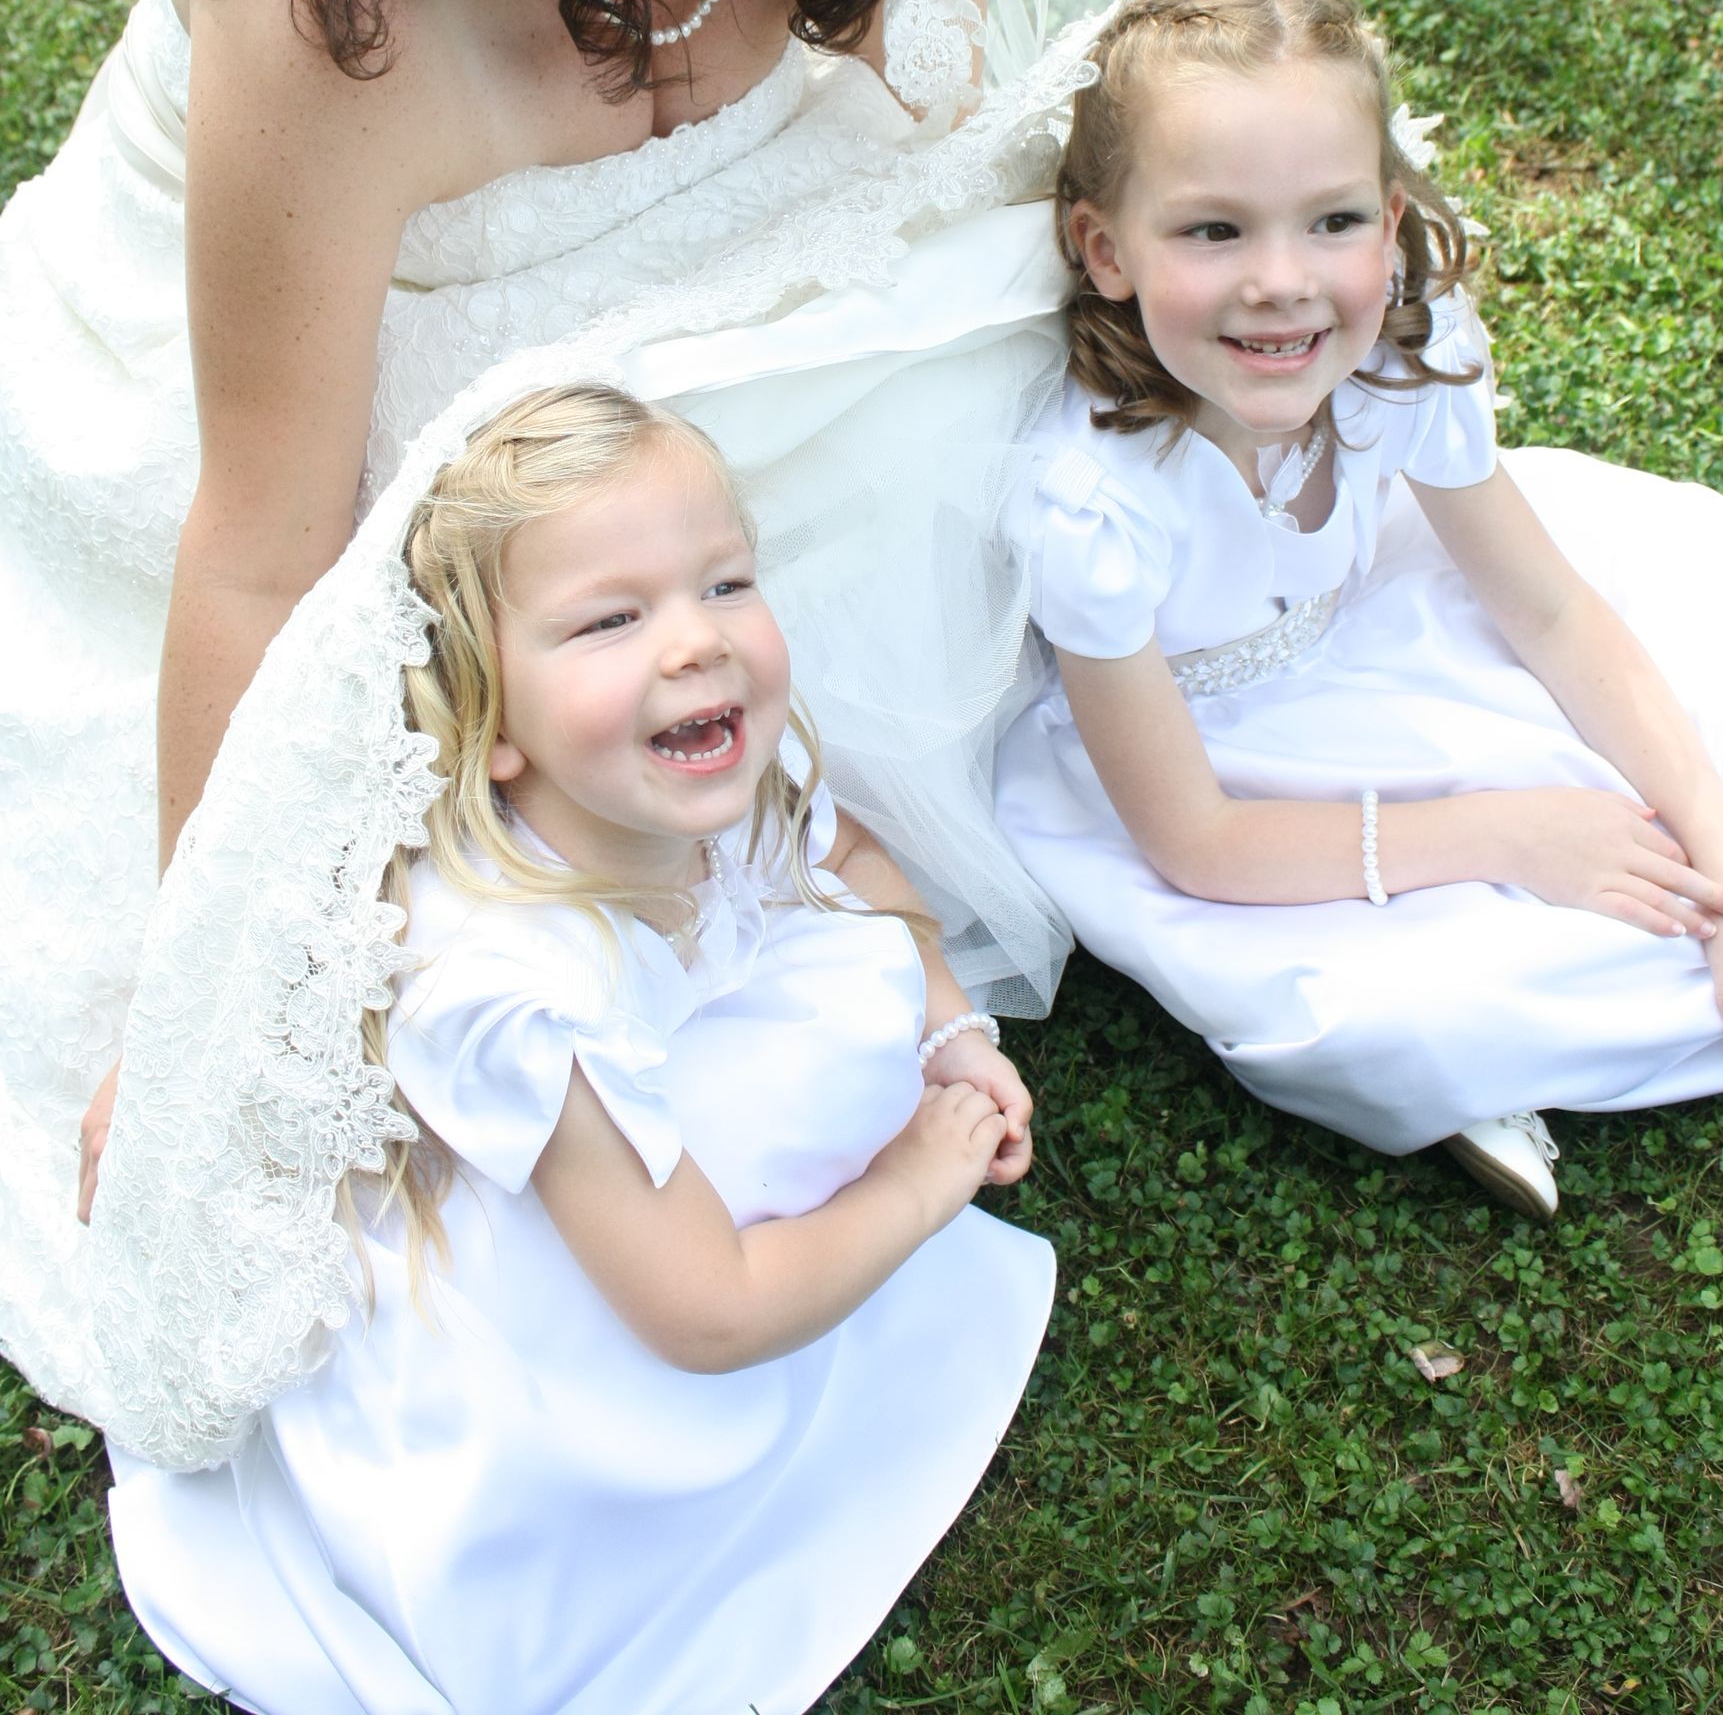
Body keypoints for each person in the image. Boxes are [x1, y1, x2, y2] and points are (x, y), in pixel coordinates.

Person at [0, 0, 1114, 1428]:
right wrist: (215, 999)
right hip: (243, 422)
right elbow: (260, 538)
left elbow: (939, 191)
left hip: (628, 456)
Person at [106, 383, 1053, 1715]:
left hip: (665, 1172)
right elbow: (707, 1314)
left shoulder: (707, 764)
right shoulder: (503, 989)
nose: (696, 646)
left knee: (859, 978)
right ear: (490, 732)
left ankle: (826, 1263)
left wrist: (946, 1017)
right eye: (611, 619)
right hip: (584, 1335)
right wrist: (917, 1180)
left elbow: (845, 850)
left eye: (724, 583)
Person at [994, 0, 1723, 1219]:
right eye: (1213, 230)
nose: (1282, 282)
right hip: (1205, 770)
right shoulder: (1093, 502)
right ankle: (1489, 1058)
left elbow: (1551, 613)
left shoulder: (1405, 358)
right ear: (1104, 250)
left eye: (1331, 222)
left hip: (1385, 629)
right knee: (1384, 1019)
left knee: (1680, 715)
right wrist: (1512, 833)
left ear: (1390, 228)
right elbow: (1198, 842)